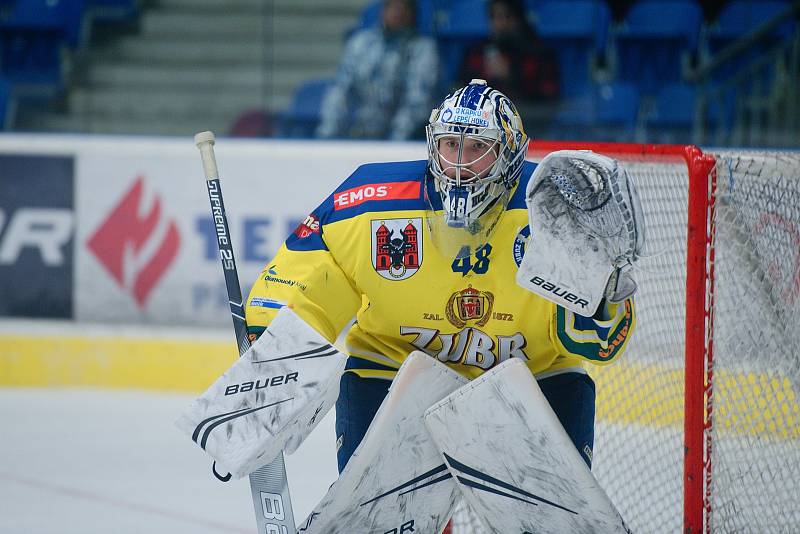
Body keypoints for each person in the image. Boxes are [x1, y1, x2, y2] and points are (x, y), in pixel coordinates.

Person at [247, 79, 637, 474]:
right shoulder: (372, 202)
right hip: (395, 371)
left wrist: (605, 292)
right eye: (451, 145)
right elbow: (312, 268)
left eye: (478, 147)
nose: (461, 164)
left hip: (535, 377)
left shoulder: (553, 211)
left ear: (510, 154)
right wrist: (271, 338)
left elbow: (598, 344)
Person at [315, 0, 440, 141]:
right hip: (355, 133)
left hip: (399, 139)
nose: (397, 13)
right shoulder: (361, 43)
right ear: (383, 11)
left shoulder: (422, 49)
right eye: (392, 7)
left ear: (412, 13)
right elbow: (340, 89)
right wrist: (328, 135)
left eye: (403, 8)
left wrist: (396, 140)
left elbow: (417, 101)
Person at [458, 0, 559, 135]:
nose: (501, 24)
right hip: (480, 129)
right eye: (495, 17)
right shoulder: (477, 53)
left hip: (529, 128)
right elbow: (460, 92)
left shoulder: (539, 55)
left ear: (519, 19)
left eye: (507, 16)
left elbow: (548, 100)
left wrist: (511, 76)